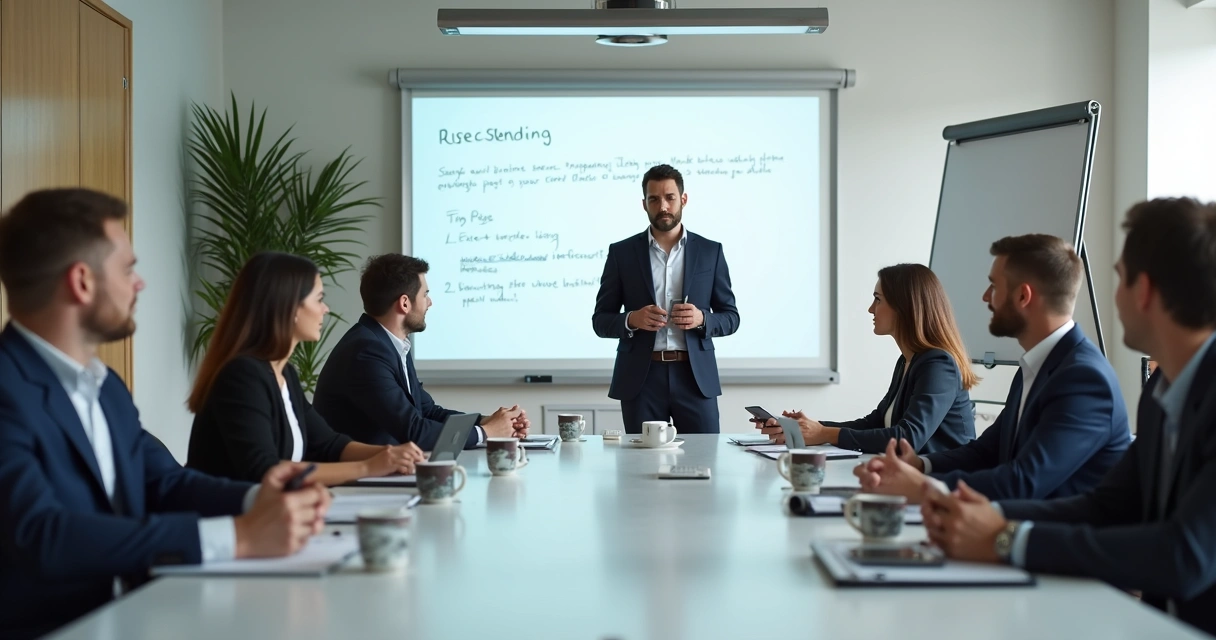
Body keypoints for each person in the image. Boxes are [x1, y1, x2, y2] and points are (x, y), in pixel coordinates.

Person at [0, 189, 331, 639]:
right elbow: (41, 534)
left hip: (138, 615)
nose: (140, 283)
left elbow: (163, 482)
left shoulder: (105, 386)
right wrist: (238, 536)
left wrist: (260, 498)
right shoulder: (8, 387)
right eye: (128, 269)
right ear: (82, 282)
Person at [921, 198, 1216, 636]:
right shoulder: (1160, 392)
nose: (1114, 295)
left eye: (1119, 278)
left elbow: (1184, 556)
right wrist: (986, 516)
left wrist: (1007, 538)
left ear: (1144, 290)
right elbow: (1107, 507)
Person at [854, 234, 1130, 503]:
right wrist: (920, 465)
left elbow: (1023, 482)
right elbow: (986, 452)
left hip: (1047, 531)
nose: (986, 297)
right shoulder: (1034, 367)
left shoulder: (1082, 378)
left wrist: (924, 487)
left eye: (993, 286)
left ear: (1023, 296)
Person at [186, 252, 425, 485]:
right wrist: (368, 467)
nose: (325, 309)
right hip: (228, 511)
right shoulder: (242, 375)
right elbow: (264, 471)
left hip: (271, 509)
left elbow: (329, 444)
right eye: (319, 299)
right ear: (289, 307)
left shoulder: (284, 373)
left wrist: (392, 454)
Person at [313, 253, 529, 450]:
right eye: (425, 294)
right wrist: (487, 432)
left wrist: (487, 421)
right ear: (405, 303)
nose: (429, 302)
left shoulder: (390, 344)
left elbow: (428, 412)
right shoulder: (366, 352)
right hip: (359, 477)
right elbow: (415, 432)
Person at [754, 263, 977, 454]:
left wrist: (824, 433)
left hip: (945, 482)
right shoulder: (907, 361)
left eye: (878, 300)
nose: (871, 309)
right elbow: (876, 422)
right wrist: (811, 428)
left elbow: (908, 438)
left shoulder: (938, 365)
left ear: (904, 307)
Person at [592, 164, 740, 433]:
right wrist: (631, 320)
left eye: (670, 197)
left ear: (683, 199)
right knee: (642, 458)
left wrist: (702, 319)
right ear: (644, 204)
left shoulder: (711, 252)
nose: (663, 206)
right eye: (654, 199)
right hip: (641, 379)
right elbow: (600, 321)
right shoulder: (621, 253)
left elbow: (731, 317)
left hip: (695, 378)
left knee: (706, 456)